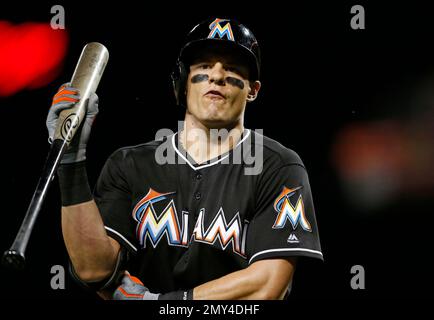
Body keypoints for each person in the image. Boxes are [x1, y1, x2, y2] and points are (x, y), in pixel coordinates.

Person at [47, 17, 323, 300]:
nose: (217, 76)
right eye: (204, 66)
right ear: (181, 82)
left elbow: (268, 286)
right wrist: (71, 162)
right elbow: (93, 270)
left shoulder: (278, 167)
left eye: (232, 68)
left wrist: (164, 304)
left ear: (253, 90)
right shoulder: (129, 164)